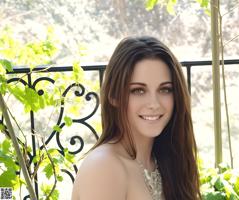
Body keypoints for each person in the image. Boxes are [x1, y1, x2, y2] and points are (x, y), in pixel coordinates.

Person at [71, 36, 201, 200]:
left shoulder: (164, 160)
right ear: (114, 96)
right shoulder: (104, 166)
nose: (154, 103)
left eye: (165, 89)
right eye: (138, 90)